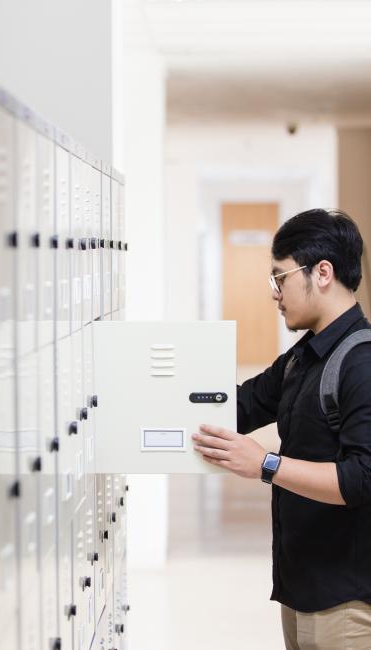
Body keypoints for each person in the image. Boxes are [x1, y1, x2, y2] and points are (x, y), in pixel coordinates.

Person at [192, 209, 371, 650]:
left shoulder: (361, 363)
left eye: (281, 278)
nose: (275, 293)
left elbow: (361, 479)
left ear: (322, 273)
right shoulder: (302, 357)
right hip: (299, 587)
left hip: (344, 601)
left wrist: (266, 464)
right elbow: (241, 405)